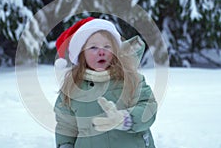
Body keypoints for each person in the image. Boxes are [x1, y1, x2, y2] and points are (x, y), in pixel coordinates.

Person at [54, 17, 157, 148]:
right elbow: (66, 126)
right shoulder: (72, 88)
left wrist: (124, 119)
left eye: (107, 46)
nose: (101, 52)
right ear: (81, 55)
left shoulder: (131, 79)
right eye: (93, 47)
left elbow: (148, 107)